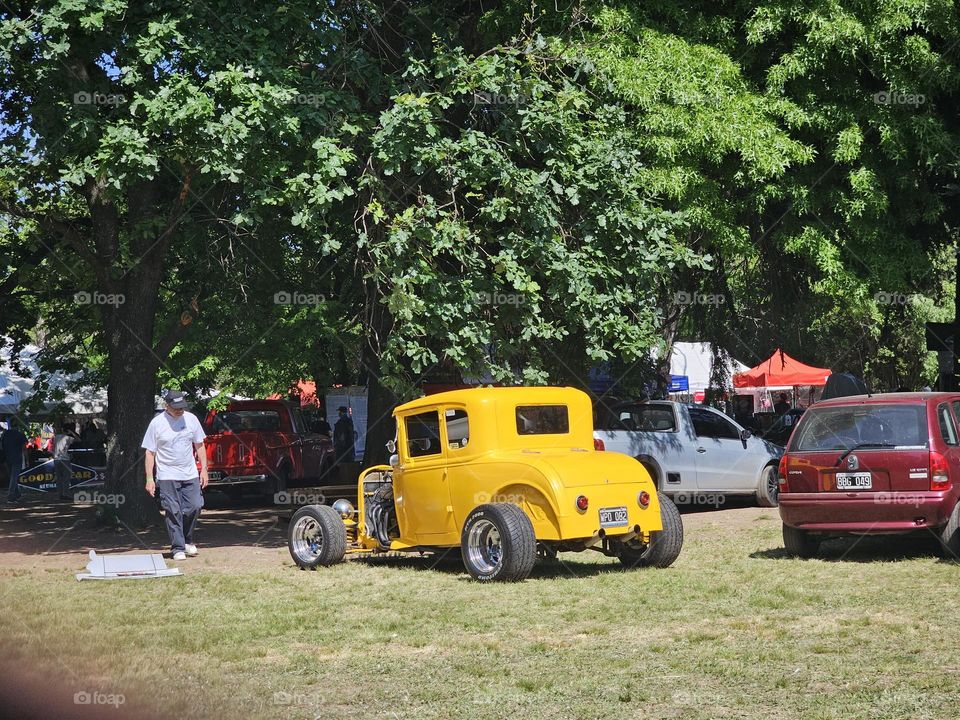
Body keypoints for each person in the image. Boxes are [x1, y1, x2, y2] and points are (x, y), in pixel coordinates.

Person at [142, 389, 208, 561]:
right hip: (167, 475)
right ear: (166, 406)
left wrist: (205, 469)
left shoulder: (191, 419)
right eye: (176, 407)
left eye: (182, 407)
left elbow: (199, 445)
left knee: (194, 506)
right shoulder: (156, 424)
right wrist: (149, 478)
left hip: (190, 472)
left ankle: (187, 539)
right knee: (173, 510)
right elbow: (150, 453)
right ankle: (177, 547)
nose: (180, 410)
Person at [2, 418, 28, 503]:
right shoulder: (20, 434)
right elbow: (24, 449)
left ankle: (17, 494)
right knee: (14, 477)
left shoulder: (5, 434)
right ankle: (11, 496)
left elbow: (2, 446)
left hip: (7, 458)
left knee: (12, 477)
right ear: (18, 426)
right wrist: (27, 460)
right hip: (17, 458)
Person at [53, 421, 78, 500]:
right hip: (65, 460)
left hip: (56, 459)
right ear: (69, 430)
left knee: (59, 478)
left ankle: (60, 494)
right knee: (66, 478)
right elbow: (78, 439)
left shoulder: (56, 437)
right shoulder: (68, 438)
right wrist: (72, 433)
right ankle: (65, 494)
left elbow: (53, 447)